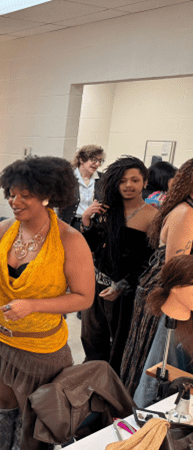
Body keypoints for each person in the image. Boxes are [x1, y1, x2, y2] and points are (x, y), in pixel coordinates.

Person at [0, 156, 94, 450]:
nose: (15, 202)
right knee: (2, 405)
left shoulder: (70, 240)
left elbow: (84, 297)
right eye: (11, 194)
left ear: (47, 195)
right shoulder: (4, 229)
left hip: (37, 349)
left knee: (31, 419)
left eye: (25, 195)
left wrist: (33, 306)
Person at [120, 158, 193, 404]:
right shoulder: (185, 214)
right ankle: (141, 417)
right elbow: (176, 275)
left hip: (174, 297)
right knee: (155, 371)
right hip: (166, 298)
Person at [80, 156, 158, 375]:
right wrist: (86, 221)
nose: (128, 185)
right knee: (92, 340)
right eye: (122, 181)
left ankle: (111, 389)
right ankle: (91, 383)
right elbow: (92, 248)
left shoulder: (153, 217)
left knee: (119, 345)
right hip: (97, 286)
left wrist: (122, 285)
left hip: (126, 293)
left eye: (134, 180)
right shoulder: (107, 210)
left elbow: (150, 262)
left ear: (145, 182)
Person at [59, 144, 105, 231]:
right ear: (82, 160)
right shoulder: (67, 177)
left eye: (100, 161)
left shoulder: (102, 178)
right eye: (94, 160)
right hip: (70, 224)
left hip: (92, 225)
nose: (97, 164)